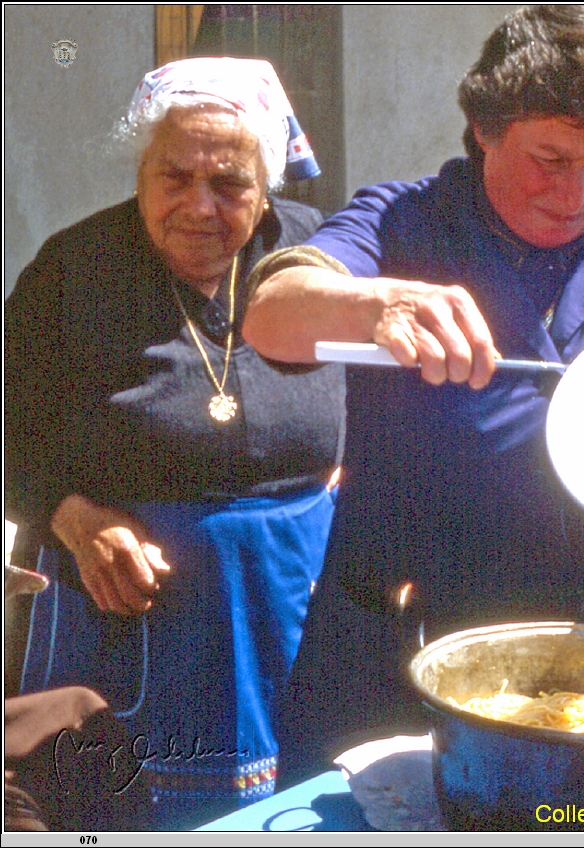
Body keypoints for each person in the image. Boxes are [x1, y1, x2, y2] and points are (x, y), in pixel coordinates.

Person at [240, 6, 584, 784]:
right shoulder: (403, 221)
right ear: (484, 127)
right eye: (549, 159)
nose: (575, 191)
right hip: (397, 641)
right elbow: (272, 312)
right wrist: (377, 306)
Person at [5, 58, 343, 828]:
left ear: (269, 183)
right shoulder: (73, 269)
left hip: (293, 607)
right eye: (173, 176)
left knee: (304, 809)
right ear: (141, 172)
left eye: (229, 184)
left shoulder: (314, 259)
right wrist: (73, 516)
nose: (199, 205)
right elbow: (9, 422)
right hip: (121, 618)